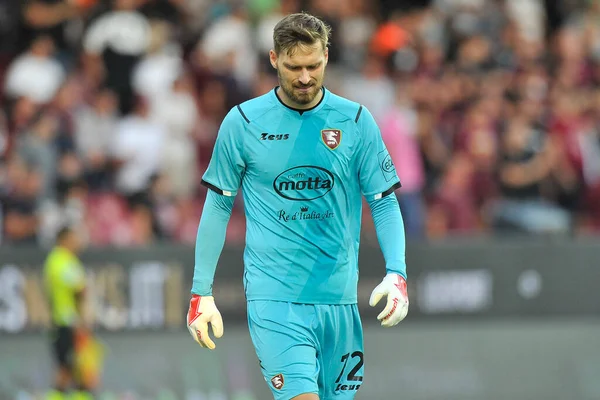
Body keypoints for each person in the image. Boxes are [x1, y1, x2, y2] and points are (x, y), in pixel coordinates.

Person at [187, 12, 409, 400]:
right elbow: (218, 207)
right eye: (293, 67)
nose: (304, 77)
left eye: (313, 65)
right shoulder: (242, 123)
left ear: (327, 55)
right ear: (274, 59)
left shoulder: (355, 121)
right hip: (275, 300)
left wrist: (398, 272)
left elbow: (383, 201)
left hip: (339, 299)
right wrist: (200, 291)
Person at [44, 225, 94, 400]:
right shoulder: (60, 260)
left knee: (74, 368)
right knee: (69, 367)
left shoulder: (62, 260)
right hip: (67, 322)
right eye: (74, 238)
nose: (78, 242)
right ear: (64, 240)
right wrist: (83, 319)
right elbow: (80, 289)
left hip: (65, 322)